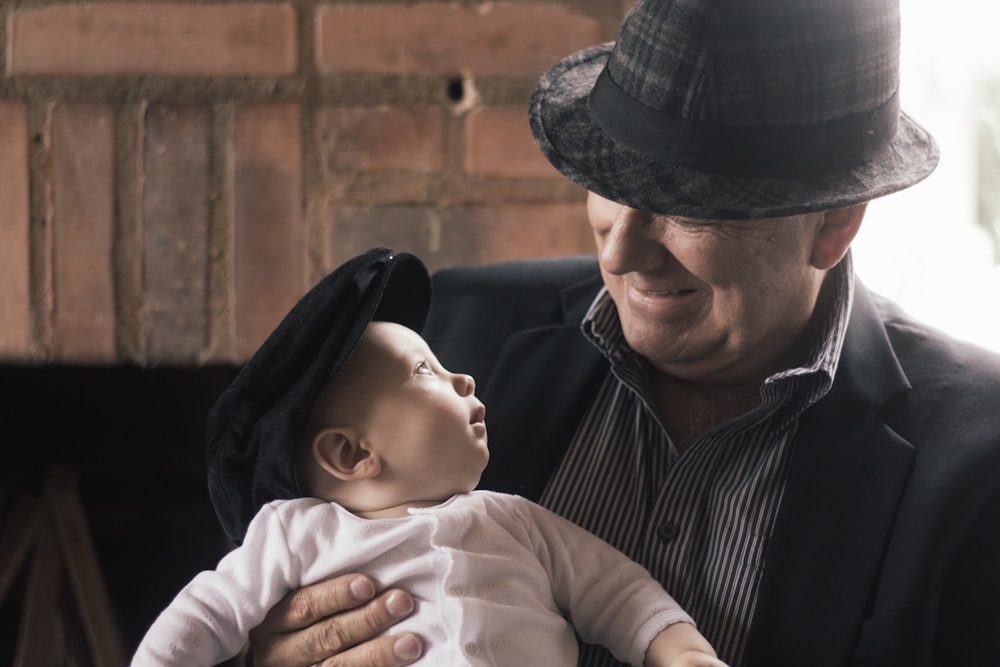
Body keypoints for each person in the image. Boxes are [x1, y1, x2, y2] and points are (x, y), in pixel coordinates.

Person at [245, 0, 1000, 665]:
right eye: (612, 180)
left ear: (834, 222)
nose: (619, 251)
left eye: (683, 203)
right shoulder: (451, 329)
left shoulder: (975, 456)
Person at [132, 248, 727, 667]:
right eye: (426, 371)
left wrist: (684, 651)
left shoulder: (514, 519)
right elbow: (208, 613)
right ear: (351, 452)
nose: (464, 377)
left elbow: (616, 591)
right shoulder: (294, 536)